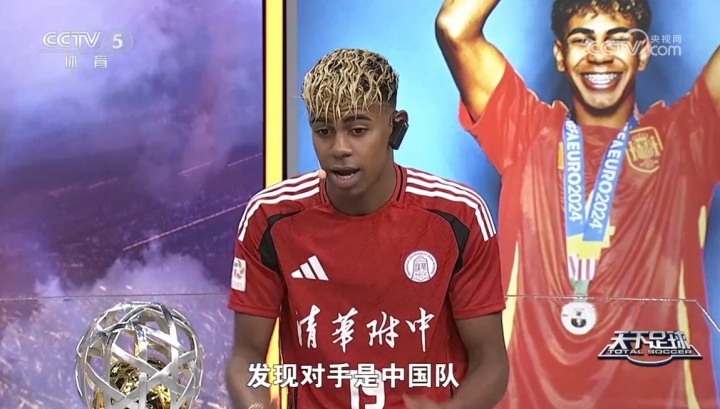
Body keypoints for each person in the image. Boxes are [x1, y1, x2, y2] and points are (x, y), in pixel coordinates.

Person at [435, 0, 720, 408]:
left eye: (617, 40)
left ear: (643, 53)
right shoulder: (525, 133)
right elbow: (455, 26)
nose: (599, 54)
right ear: (559, 55)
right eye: (582, 40)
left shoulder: (685, 141)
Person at [225, 48, 509, 409]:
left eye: (358, 130)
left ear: (395, 126)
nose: (339, 148)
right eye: (323, 131)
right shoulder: (269, 217)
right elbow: (245, 358)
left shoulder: (459, 216)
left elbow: (490, 363)